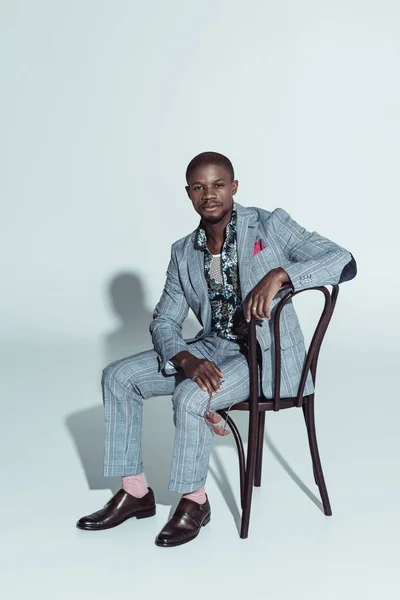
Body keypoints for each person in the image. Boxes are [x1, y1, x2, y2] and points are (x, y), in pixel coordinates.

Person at [76, 151, 357, 547]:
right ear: (189, 193)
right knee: (118, 377)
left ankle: (194, 501)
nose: (209, 194)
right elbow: (164, 321)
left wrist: (281, 275)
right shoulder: (183, 251)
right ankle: (136, 492)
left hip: (262, 358)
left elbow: (343, 260)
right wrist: (187, 359)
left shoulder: (270, 225)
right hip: (210, 347)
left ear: (234, 187)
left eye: (218, 185)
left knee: (193, 395)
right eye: (199, 187)